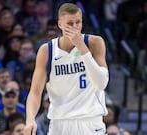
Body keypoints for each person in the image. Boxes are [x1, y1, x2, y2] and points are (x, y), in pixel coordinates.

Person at [24, 3, 109, 135]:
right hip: (59, 122)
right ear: (60, 24)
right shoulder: (47, 50)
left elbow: (101, 83)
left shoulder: (94, 43)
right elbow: (35, 92)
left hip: (89, 121)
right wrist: (30, 119)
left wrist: (82, 48)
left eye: (78, 22)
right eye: (70, 23)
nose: (75, 27)